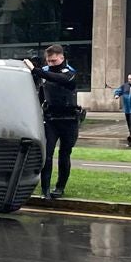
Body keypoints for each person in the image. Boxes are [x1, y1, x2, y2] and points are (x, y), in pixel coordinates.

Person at [24, 44, 80, 200]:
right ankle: (45, 189)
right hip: (51, 119)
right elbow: (40, 94)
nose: (51, 64)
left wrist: (36, 70)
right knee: (46, 155)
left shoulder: (69, 72)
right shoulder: (45, 72)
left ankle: (60, 187)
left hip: (69, 120)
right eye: (48, 61)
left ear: (62, 58)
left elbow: (61, 79)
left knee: (64, 154)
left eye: (54, 61)